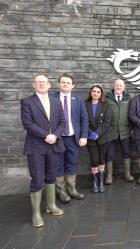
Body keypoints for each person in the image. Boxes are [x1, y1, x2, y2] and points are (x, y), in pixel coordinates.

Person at [21, 73, 65, 228]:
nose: (41, 84)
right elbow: (28, 123)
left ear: (49, 85)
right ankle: (36, 213)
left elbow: (62, 122)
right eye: (38, 82)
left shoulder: (56, 102)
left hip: (54, 145)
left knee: (51, 176)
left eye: (44, 82)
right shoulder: (27, 102)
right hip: (36, 146)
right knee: (37, 178)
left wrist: (55, 136)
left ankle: (51, 205)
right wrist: (47, 135)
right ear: (33, 85)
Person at [50, 73, 88, 203]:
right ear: (59, 84)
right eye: (63, 82)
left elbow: (84, 119)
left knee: (72, 163)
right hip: (57, 139)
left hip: (73, 139)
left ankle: (72, 190)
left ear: (73, 85)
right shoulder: (51, 98)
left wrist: (83, 136)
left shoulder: (78, 100)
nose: (65, 84)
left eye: (68, 82)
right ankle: (61, 192)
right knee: (58, 165)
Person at [85, 84, 116, 193]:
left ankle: (101, 181)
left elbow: (107, 121)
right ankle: (94, 182)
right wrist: (90, 133)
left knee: (102, 158)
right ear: (90, 92)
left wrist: (97, 133)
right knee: (94, 159)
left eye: (98, 92)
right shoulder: (85, 104)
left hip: (103, 135)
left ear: (101, 94)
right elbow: (82, 120)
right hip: (90, 136)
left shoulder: (105, 105)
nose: (96, 93)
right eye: (94, 91)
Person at [104, 79, 133, 184]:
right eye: (117, 85)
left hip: (125, 131)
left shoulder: (128, 98)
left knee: (126, 153)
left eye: (121, 85)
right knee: (109, 154)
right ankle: (108, 177)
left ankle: (127, 174)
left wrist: (132, 128)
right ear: (113, 86)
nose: (119, 87)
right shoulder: (106, 98)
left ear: (124, 87)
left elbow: (132, 114)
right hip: (110, 131)